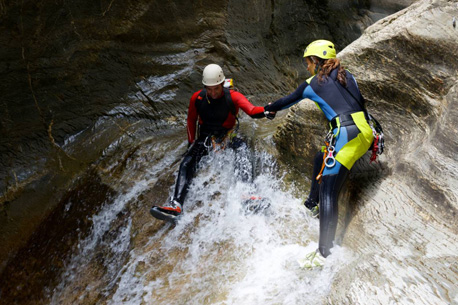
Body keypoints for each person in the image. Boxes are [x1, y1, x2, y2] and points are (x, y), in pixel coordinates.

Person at [264, 40, 374, 267]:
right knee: (320, 157)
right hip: (364, 132)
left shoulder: (312, 84)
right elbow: (360, 103)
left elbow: (286, 101)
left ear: (315, 61)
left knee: (329, 191)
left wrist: (269, 108)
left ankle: (325, 252)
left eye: (308, 62)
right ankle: (312, 204)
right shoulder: (348, 75)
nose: (307, 67)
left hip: (345, 133)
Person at [150, 64, 275, 222]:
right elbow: (191, 119)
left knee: (242, 150)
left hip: (227, 135)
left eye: (216, 88)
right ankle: (176, 205)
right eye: (209, 89)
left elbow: (251, 110)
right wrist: (191, 143)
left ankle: (247, 193)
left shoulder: (233, 96)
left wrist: (266, 110)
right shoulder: (198, 97)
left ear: (222, 84)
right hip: (206, 136)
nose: (213, 93)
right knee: (187, 163)